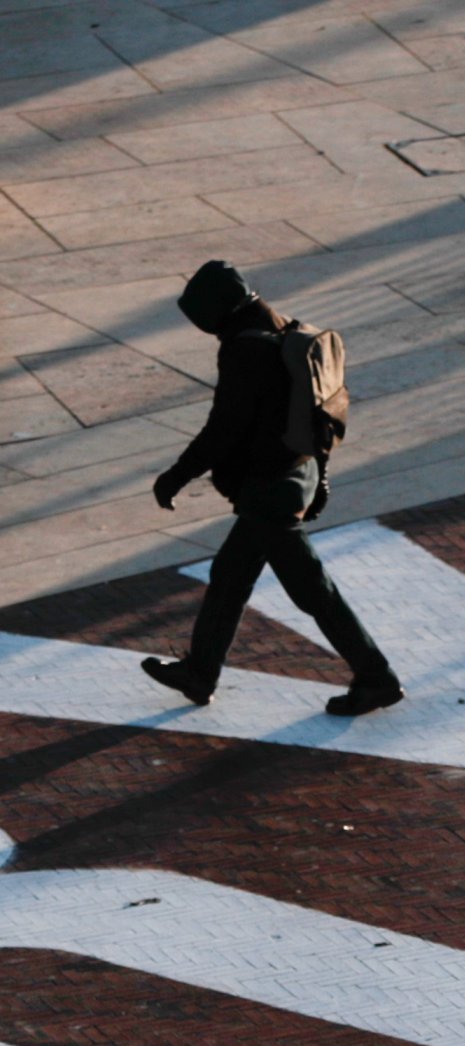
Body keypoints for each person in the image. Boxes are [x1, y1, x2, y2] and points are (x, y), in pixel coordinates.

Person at [143, 261, 401, 715]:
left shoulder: (245, 350)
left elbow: (223, 428)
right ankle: (200, 673)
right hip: (294, 477)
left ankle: (376, 677)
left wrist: (177, 475)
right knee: (230, 576)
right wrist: (318, 479)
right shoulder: (287, 330)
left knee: (313, 590)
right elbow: (315, 409)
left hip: (268, 492)